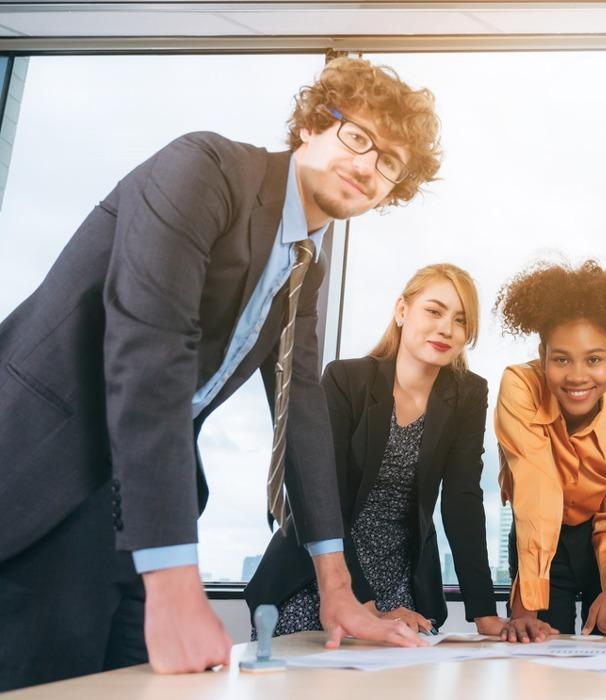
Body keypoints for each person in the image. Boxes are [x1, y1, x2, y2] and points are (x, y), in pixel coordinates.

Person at [0, 57, 442, 691]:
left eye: (390, 164)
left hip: (141, 498)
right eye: (358, 138)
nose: (369, 167)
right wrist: (177, 582)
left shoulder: (303, 266)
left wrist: (336, 588)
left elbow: (304, 412)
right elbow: (151, 348)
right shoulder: (203, 170)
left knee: (144, 682)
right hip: (50, 470)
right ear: (315, 125)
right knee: (49, 679)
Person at [246, 264, 546, 641]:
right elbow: (325, 500)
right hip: (322, 571)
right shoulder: (345, 380)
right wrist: (366, 605)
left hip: (403, 578)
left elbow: (462, 501)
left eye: (460, 320)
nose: (446, 329)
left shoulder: (467, 394)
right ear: (402, 311)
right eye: (434, 311)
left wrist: (484, 613)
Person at [493, 260, 606, 637]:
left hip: (604, 542)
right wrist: (524, 605)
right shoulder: (519, 386)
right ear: (543, 353)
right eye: (561, 359)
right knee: (538, 661)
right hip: (539, 543)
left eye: (594, 359)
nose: (578, 376)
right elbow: (536, 489)